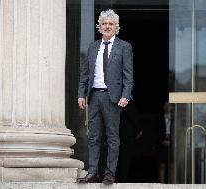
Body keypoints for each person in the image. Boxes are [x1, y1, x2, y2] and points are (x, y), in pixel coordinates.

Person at [77, 9, 133, 185]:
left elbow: (128, 76)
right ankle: (93, 172)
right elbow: (84, 74)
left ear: (117, 27)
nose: (107, 26)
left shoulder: (124, 47)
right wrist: (81, 94)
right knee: (93, 137)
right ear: (99, 27)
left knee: (112, 137)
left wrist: (126, 95)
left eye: (111, 24)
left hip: (113, 98)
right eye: (104, 24)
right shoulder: (93, 47)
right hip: (94, 96)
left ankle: (110, 173)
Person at [116, 95, 142, 183]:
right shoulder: (125, 98)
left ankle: (122, 179)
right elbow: (131, 114)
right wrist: (138, 129)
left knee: (125, 158)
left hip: (125, 133)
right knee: (124, 158)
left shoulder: (129, 98)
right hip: (126, 134)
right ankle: (121, 180)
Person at [158, 101, 173, 183]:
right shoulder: (159, 118)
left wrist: (172, 141)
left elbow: (178, 131)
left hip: (173, 144)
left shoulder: (175, 118)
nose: (167, 107)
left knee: (171, 165)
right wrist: (162, 140)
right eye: (166, 105)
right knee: (162, 165)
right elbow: (157, 132)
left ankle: (172, 184)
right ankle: (161, 184)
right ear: (163, 107)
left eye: (169, 105)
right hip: (162, 143)